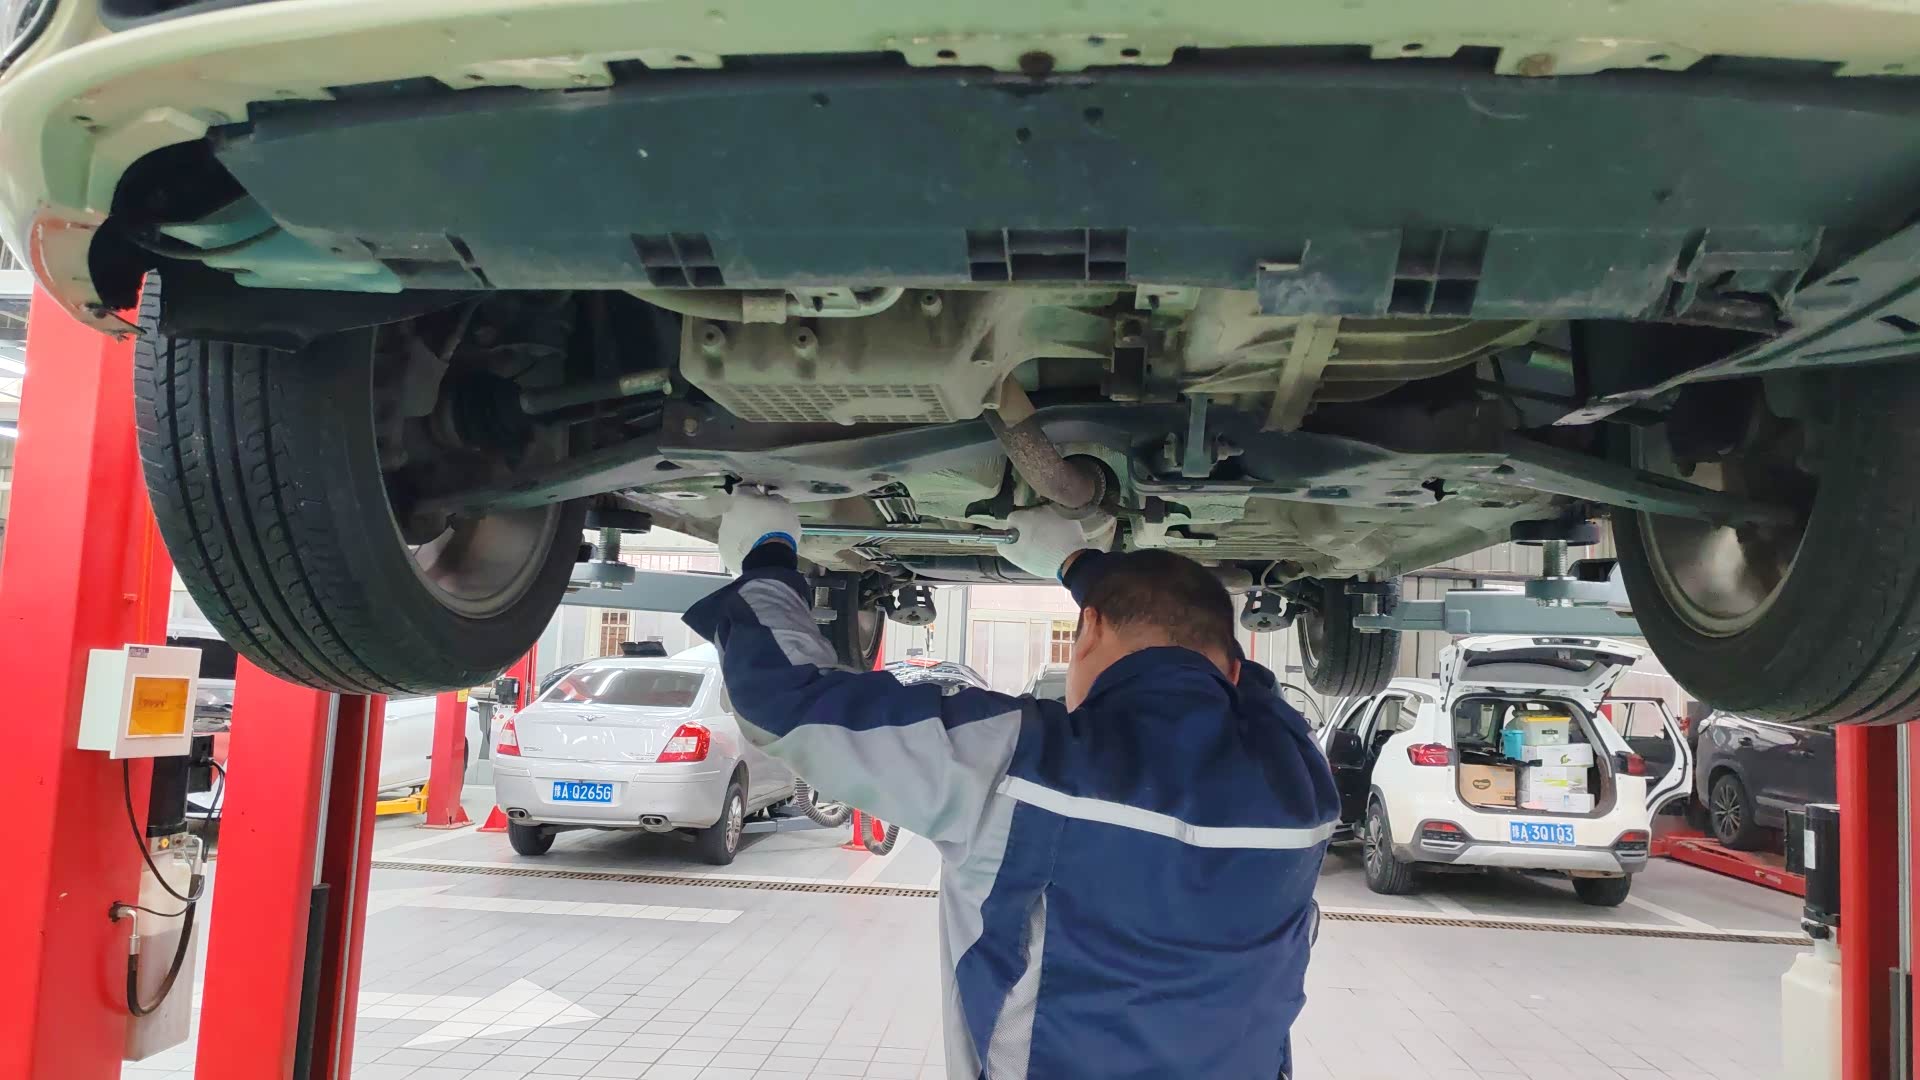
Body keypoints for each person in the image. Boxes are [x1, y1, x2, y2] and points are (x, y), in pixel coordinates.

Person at [682, 491, 1338, 1080]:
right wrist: (1086, 572)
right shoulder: (1300, 777)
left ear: (1091, 630)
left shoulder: (1022, 767)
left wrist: (766, 559)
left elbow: (785, 704)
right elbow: (1235, 675)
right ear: (1230, 668)